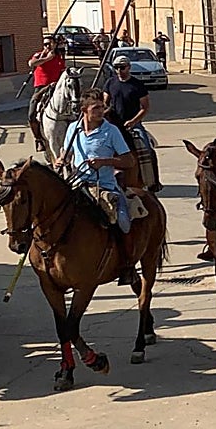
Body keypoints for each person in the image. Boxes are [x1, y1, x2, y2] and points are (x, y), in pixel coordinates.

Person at [55, 89, 136, 283]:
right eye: (96, 108)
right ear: (84, 110)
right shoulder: (73, 129)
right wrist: (60, 160)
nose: (101, 111)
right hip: (76, 184)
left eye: (102, 107)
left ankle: (127, 265)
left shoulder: (111, 131)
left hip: (104, 186)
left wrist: (105, 161)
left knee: (123, 222)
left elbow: (129, 161)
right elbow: (66, 154)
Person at [104, 55, 160, 191]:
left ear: (129, 67)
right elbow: (105, 103)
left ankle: (153, 182)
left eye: (122, 68)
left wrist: (134, 121)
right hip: (114, 123)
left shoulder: (137, 85)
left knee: (148, 149)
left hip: (133, 124)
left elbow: (145, 107)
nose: (119, 71)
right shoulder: (110, 83)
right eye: (116, 68)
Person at [27, 36, 67, 152]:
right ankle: (38, 139)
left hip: (56, 87)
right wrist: (47, 58)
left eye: (49, 44)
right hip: (41, 88)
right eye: (45, 44)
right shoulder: (39, 55)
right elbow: (31, 63)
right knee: (31, 114)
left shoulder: (59, 57)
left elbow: (62, 71)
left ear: (55, 44)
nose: (47, 46)